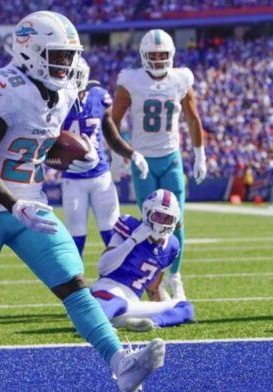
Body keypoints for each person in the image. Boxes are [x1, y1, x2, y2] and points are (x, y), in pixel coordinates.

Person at [0, 12, 165, 392]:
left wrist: (64, 153)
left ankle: (121, 363)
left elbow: (37, 142)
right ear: (30, 52)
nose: (67, 64)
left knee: (74, 284)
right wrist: (14, 204)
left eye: (69, 55)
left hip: (33, 205)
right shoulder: (3, 86)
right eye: (59, 55)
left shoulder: (64, 93)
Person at [110, 29, 206, 301]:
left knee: (177, 222)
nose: (159, 60)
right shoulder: (131, 80)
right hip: (143, 161)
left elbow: (193, 118)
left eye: (163, 55)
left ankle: (175, 276)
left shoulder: (180, 79)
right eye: (153, 55)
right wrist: (118, 156)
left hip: (171, 157)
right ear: (143, 56)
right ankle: (150, 282)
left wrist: (200, 155)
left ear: (172, 54)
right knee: (149, 224)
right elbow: (113, 121)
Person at [60, 58, 149, 256]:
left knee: (113, 234)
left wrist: (132, 154)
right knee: (75, 238)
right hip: (72, 178)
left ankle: (115, 281)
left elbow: (112, 136)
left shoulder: (98, 96)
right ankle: (75, 285)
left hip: (100, 176)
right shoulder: (56, 101)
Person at [91, 189, 195, 332]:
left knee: (185, 307)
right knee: (118, 302)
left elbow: (153, 288)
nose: (163, 223)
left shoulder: (172, 246)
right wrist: (133, 240)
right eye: (158, 216)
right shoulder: (129, 226)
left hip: (131, 303)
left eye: (167, 218)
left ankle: (151, 323)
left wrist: (161, 307)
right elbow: (103, 267)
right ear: (147, 212)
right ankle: (95, 325)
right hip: (107, 292)